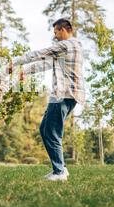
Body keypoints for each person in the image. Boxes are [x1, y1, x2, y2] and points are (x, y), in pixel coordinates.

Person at [12, 18, 85, 181]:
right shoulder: (72, 47)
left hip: (63, 95)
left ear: (64, 30)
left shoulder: (67, 45)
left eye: (56, 32)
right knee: (45, 129)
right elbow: (45, 63)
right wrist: (26, 71)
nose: (55, 36)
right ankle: (60, 168)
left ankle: (59, 172)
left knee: (51, 132)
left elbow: (40, 54)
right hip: (64, 96)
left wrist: (16, 62)